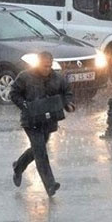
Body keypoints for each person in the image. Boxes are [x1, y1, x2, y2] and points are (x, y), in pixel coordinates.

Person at [10, 51, 75, 197]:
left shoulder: (57, 78)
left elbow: (67, 92)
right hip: (30, 121)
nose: (47, 69)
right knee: (40, 152)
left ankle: (18, 166)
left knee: (37, 148)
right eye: (44, 66)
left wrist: (68, 104)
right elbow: (13, 93)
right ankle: (50, 185)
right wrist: (25, 105)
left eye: (49, 66)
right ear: (38, 64)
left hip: (48, 121)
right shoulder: (25, 77)